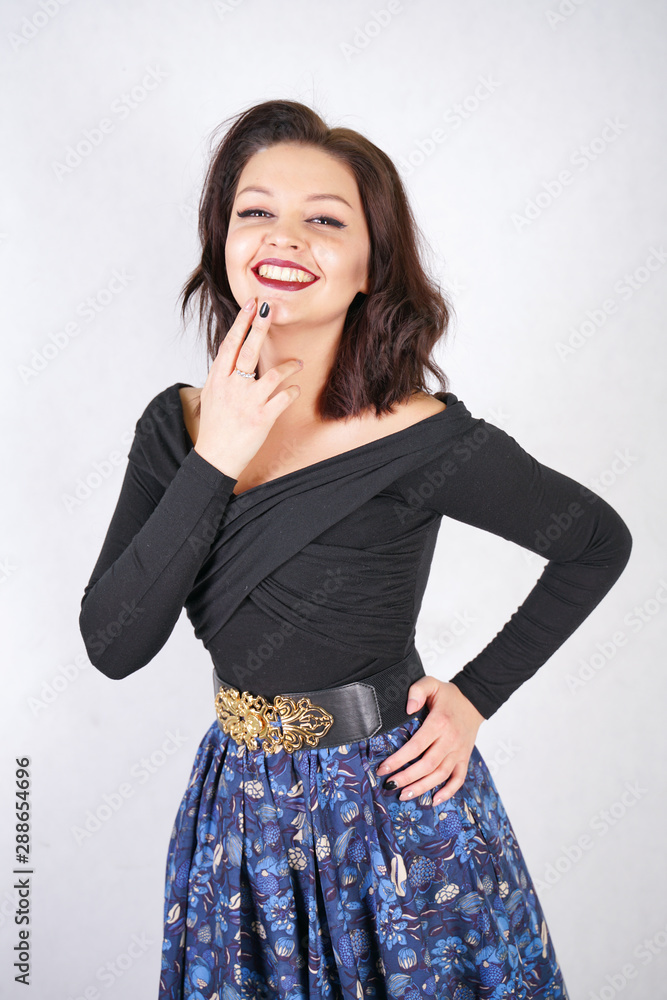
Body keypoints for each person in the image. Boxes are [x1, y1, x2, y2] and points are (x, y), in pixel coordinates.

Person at [79, 99, 632, 999]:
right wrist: (216, 457)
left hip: (392, 811)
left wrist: (474, 698)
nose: (283, 236)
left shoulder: (423, 438)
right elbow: (113, 645)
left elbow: (595, 543)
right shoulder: (174, 428)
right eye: (256, 210)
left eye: (325, 220)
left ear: (372, 265)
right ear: (223, 239)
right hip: (236, 814)